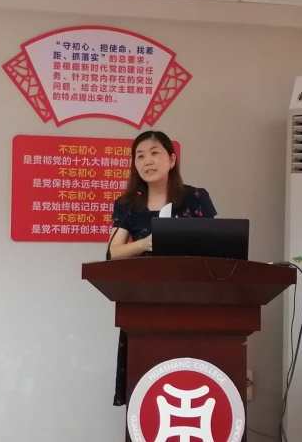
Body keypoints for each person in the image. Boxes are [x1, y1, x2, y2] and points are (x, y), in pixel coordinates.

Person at [108, 130, 217, 406]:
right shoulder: (128, 204)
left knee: (188, 375)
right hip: (144, 301)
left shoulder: (195, 197)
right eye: (140, 156)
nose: (147, 161)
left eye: (154, 153)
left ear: (171, 159)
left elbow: (216, 244)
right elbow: (114, 252)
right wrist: (145, 243)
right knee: (147, 381)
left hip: (192, 299)